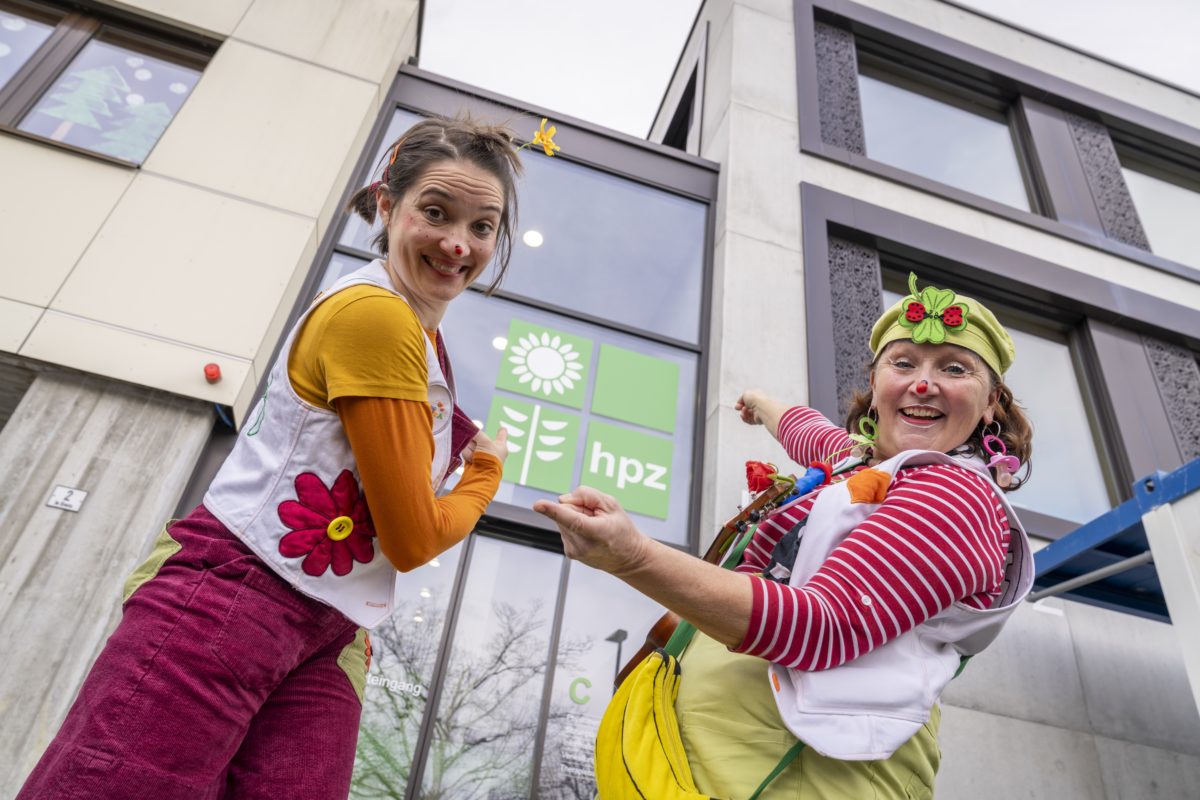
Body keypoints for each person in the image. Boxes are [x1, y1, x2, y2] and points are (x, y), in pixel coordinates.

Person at [19, 116, 522, 799]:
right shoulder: (376, 317)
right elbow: (411, 537)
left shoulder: (419, 339)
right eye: (435, 212)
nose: (459, 243)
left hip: (330, 627)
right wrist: (486, 473)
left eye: (482, 226)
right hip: (238, 589)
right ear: (386, 205)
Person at [535, 273, 1034, 799]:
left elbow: (827, 624)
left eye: (954, 368)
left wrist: (633, 557)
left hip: (796, 779)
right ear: (876, 384)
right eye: (903, 363)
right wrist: (762, 405)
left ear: (991, 402)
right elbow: (810, 434)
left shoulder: (955, 494)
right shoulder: (863, 464)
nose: (923, 383)